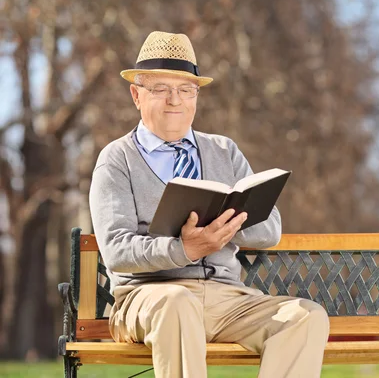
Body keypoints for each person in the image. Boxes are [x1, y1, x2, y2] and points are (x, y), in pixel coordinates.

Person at [89, 31, 330, 378]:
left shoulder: (224, 151)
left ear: (196, 96)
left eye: (186, 90)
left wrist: (232, 219)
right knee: (177, 304)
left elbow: (271, 231)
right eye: (161, 89)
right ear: (136, 95)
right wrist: (184, 248)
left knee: (305, 317)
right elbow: (116, 251)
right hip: (148, 299)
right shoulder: (117, 159)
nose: (176, 100)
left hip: (226, 298)